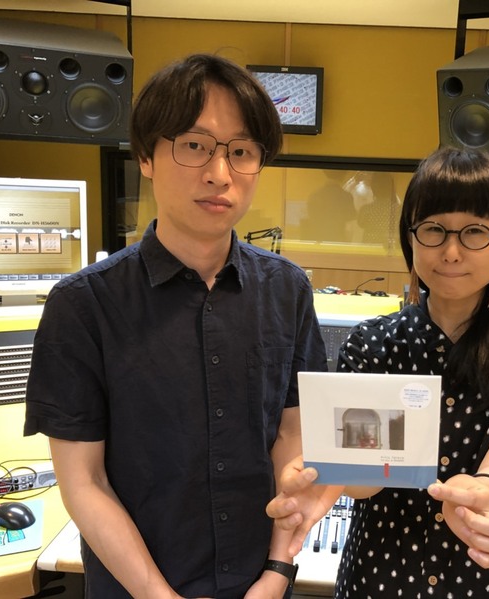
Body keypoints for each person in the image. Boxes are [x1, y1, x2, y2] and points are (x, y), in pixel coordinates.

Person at [24, 53, 328, 598]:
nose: (220, 174)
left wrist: (277, 571)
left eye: (241, 152)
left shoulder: (288, 289)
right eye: (194, 145)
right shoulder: (82, 305)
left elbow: (291, 434)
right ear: (145, 156)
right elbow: (84, 481)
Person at [268, 145, 489, 598]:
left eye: (475, 232)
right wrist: (328, 477)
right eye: (434, 230)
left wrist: (485, 492)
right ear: (411, 237)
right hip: (380, 575)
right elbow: (364, 477)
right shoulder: (372, 345)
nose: (451, 252)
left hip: (485, 577)